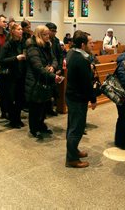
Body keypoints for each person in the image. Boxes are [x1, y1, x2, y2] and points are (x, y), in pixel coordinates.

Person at [65, 30, 96, 168]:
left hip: (71, 95)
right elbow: (86, 84)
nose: (93, 45)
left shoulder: (72, 52)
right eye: (90, 43)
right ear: (83, 45)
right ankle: (72, 159)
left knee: (73, 126)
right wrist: (93, 99)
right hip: (78, 97)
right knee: (76, 128)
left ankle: (74, 151)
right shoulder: (81, 59)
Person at [25, 25, 61, 139]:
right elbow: (37, 67)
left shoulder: (47, 45)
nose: (48, 36)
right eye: (45, 34)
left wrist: (53, 67)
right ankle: (34, 129)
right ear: (39, 35)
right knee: (35, 107)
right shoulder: (32, 47)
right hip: (35, 80)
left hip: (45, 79)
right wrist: (52, 75)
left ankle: (41, 125)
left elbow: (54, 59)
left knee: (44, 105)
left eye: (48, 34)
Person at [0, 23, 27, 128]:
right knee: (11, 99)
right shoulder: (7, 44)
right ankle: (13, 120)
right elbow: (1, 60)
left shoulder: (22, 43)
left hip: (20, 75)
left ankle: (18, 118)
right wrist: (16, 58)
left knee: (20, 99)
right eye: (18, 29)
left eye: (21, 29)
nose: (21, 31)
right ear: (13, 31)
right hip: (10, 76)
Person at [45, 22, 63, 116]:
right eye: (52, 31)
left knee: (54, 90)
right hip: (47, 69)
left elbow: (60, 55)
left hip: (55, 68)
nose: (54, 33)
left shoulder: (56, 40)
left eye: (55, 31)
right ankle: (47, 109)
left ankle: (51, 108)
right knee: (47, 90)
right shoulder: (43, 41)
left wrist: (59, 67)